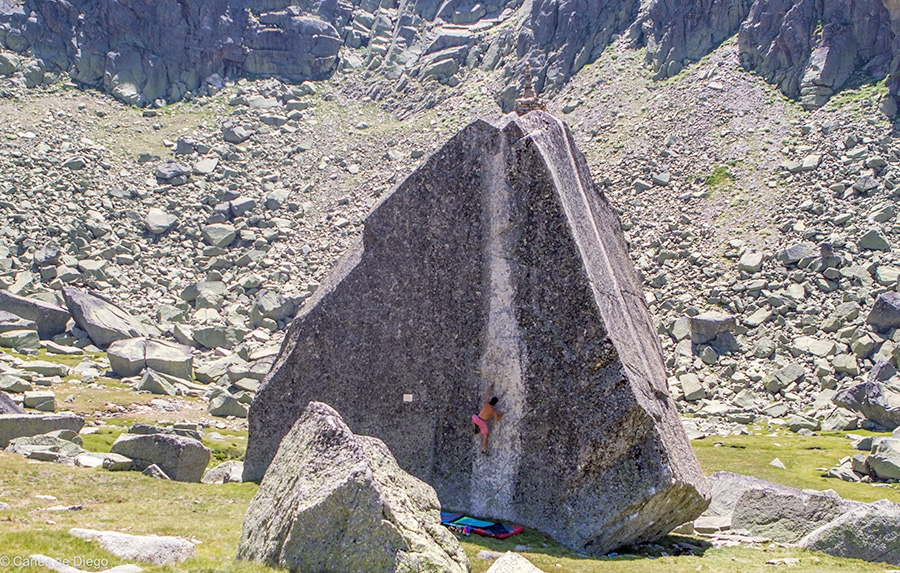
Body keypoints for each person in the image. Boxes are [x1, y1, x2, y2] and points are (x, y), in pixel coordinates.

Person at [472, 381, 504, 454]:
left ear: (490, 400)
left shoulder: (486, 403)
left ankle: (475, 427)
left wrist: (489, 385)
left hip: (477, 419)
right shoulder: (493, 410)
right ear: (495, 404)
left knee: (473, 416)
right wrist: (502, 413)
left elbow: (487, 394)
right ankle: (484, 450)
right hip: (483, 423)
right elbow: (497, 419)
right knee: (485, 436)